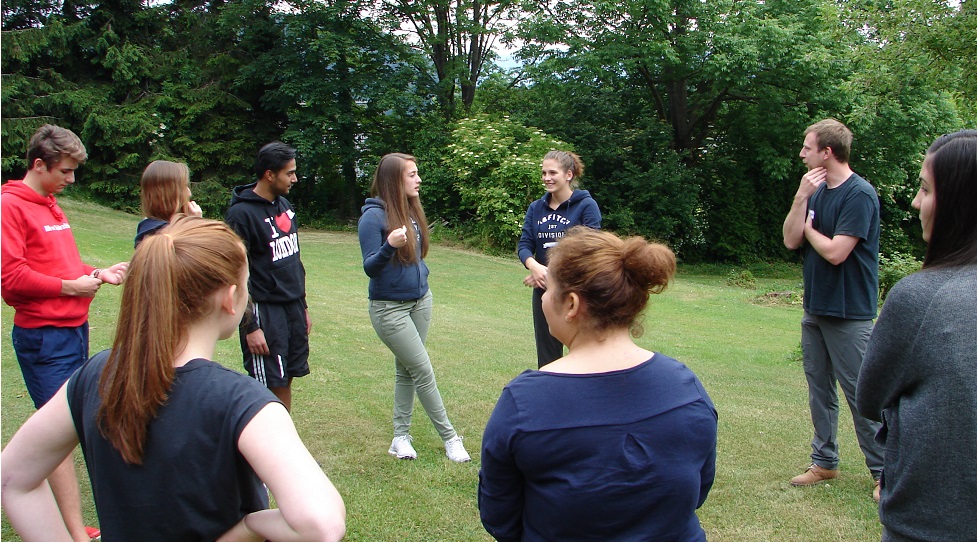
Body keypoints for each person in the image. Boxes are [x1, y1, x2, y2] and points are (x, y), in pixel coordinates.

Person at [0, 217, 347, 541]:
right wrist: (250, 526)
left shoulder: (96, 374)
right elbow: (321, 523)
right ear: (231, 299)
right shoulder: (242, 401)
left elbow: (13, 479)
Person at [479, 227, 717, 541]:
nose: (543, 298)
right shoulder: (687, 387)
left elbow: (500, 517)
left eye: (547, 288)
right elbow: (696, 491)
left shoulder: (525, 403)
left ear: (572, 305)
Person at [1, 124, 128, 542]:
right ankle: (75, 532)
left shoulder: (50, 203)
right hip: (44, 337)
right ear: (39, 165)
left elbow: (58, 265)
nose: (71, 180)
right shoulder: (11, 206)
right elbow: (11, 276)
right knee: (58, 430)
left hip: (75, 330)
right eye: (65, 172)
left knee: (84, 420)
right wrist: (68, 288)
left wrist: (95, 274)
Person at [856, 130, 977, 541]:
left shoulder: (922, 297)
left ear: (961, 202)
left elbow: (870, 397)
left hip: (935, 520)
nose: (915, 202)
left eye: (925, 189)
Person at [782, 118, 885, 500]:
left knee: (861, 393)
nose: (802, 154)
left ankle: (884, 471)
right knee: (819, 389)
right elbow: (791, 240)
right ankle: (824, 462)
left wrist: (810, 228)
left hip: (850, 312)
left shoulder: (859, 194)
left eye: (807, 148)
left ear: (827, 152)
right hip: (816, 307)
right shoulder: (816, 191)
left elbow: (836, 252)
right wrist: (800, 199)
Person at [358, 153, 470, 463]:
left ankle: (400, 437)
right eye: (412, 174)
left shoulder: (408, 211)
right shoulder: (372, 217)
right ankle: (450, 438)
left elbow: (418, 256)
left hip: (420, 301)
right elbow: (370, 267)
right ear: (395, 179)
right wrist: (388, 246)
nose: (418, 180)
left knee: (406, 370)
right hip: (388, 309)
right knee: (422, 369)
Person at [225, 142, 311, 411]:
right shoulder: (241, 215)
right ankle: (265, 444)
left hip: (293, 307)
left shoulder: (284, 205)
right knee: (268, 383)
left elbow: (293, 260)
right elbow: (234, 274)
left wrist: (303, 306)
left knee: (286, 376)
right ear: (269, 174)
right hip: (264, 311)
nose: (295, 179)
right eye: (290, 173)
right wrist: (250, 327)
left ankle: (282, 443)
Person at [518, 150, 601, 368]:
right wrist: (535, 267)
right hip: (544, 291)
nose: (547, 177)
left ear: (569, 175)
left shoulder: (586, 206)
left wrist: (550, 274)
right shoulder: (536, 208)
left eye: (552, 172)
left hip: (576, 291)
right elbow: (525, 245)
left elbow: (589, 251)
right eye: (544, 172)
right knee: (547, 356)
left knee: (583, 349)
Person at [134, 159, 203, 247]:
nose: (189, 193)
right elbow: (192, 258)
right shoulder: (160, 236)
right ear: (168, 194)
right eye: (184, 187)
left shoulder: (148, 228)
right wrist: (195, 227)